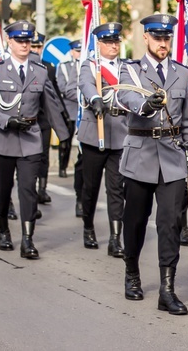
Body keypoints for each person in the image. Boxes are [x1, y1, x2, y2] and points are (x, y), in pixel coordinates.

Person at [116, 14, 188, 315]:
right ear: (146, 38)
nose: (163, 42)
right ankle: (132, 273)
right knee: (135, 221)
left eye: (167, 37)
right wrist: (144, 104)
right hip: (140, 153)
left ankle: (167, 289)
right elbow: (125, 95)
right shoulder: (131, 70)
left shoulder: (181, 72)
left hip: (172, 155)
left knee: (170, 224)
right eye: (157, 37)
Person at [0, 20, 70, 258]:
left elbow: (51, 104)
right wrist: (5, 120)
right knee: (2, 189)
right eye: (20, 40)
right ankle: (3, 229)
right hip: (2, 137)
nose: (25, 45)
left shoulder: (39, 70)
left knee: (28, 189)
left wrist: (64, 134)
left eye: (28, 41)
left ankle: (28, 239)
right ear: (10, 42)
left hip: (30, 138)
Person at [77, 23, 128, 257]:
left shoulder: (128, 67)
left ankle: (115, 238)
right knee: (90, 187)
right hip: (95, 133)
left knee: (117, 188)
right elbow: (86, 84)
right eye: (108, 42)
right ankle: (88, 227)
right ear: (99, 45)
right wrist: (96, 97)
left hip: (120, 133)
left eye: (116, 42)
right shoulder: (90, 66)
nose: (113, 46)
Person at [30, 32, 68, 207]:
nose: (36, 50)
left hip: (43, 119)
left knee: (43, 155)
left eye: (39, 47)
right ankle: (29, 191)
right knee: (30, 158)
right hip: (27, 120)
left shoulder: (48, 67)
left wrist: (63, 114)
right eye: (34, 46)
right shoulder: (24, 66)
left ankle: (42, 189)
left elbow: (54, 94)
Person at [56, 39, 83, 215]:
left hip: (83, 111)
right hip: (69, 108)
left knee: (81, 145)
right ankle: (62, 166)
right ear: (72, 52)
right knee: (65, 141)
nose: (79, 53)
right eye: (77, 51)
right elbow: (64, 88)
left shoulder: (89, 64)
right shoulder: (65, 66)